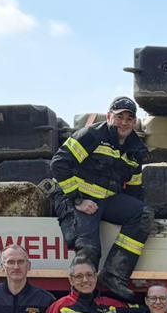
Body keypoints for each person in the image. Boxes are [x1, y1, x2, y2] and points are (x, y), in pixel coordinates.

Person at [49, 96, 152, 301]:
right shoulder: (91, 135)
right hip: (74, 197)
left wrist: (131, 210)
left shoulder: (135, 149)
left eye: (129, 118)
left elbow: (134, 187)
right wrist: (78, 200)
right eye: (119, 116)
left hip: (105, 199)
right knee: (89, 248)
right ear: (109, 116)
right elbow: (58, 164)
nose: (124, 122)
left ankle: (114, 275)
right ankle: (79, 300)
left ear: (134, 122)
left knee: (143, 214)